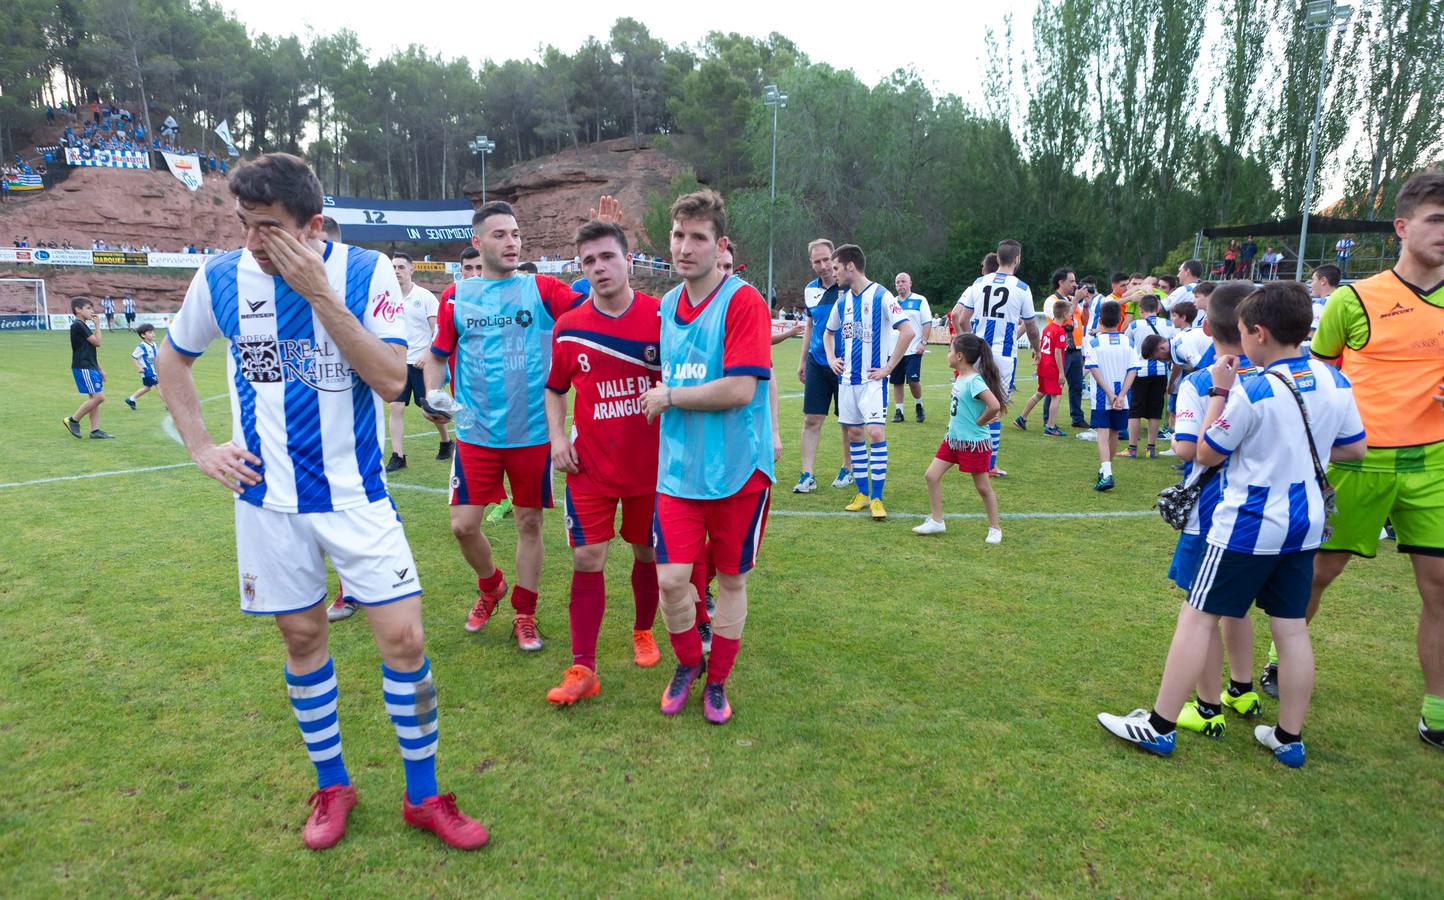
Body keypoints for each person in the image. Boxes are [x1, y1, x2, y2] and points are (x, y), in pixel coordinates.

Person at [156, 152, 487, 850]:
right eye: (245, 225)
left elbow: (395, 379)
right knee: (303, 638)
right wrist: (200, 447)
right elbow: (172, 359)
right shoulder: (220, 277)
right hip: (266, 502)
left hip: (357, 496)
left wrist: (320, 295)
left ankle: (423, 797)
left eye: (269, 228)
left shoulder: (364, 273)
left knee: (406, 639)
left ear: (314, 226)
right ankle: (332, 784)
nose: (253, 242)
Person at [1097, 282, 1365, 768]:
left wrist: (1220, 391)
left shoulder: (1254, 388)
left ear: (1258, 333)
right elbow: (1354, 448)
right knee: (1290, 630)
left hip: (1248, 523)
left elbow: (1206, 451)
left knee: (1197, 615)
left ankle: (1159, 724)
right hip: (1304, 524)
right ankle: (1288, 736)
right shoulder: (1333, 379)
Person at [1305, 174, 1444, 749]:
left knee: (1440, 587)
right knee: (1318, 573)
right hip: (1359, 461)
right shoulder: (1353, 298)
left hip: (1434, 466)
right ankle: (1279, 653)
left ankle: (1437, 710)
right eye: (1437, 220)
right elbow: (1316, 375)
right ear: (1402, 226)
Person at [424, 201, 585, 650]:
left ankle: (524, 612)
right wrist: (433, 393)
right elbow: (436, 357)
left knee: (529, 522)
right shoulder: (456, 298)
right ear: (478, 242)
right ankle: (491, 585)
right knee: (463, 525)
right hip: (475, 431)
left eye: (515, 233)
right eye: (499, 235)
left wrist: (601, 232)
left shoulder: (543, 289)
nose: (511, 242)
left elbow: (595, 303)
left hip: (533, 431)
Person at [641, 189, 774, 725]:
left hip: (738, 472)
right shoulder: (668, 306)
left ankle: (717, 681)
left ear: (719, 245)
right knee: (672, 580)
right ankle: (689, 663)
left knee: (731, 581)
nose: (684, 247)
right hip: (678, 472)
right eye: (678, 235)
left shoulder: (744, 302)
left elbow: (741, 390)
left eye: (697, 237)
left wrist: (668, 396)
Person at [543, 216, 665, 705]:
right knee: (586, 556)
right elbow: (554, 390)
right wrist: (556, 438)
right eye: (589, 261)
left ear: (629, 260)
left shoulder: (661, 317)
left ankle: (643, 630)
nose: (599, 268)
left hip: (651, 468)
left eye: (607, 257)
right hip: (589, 467)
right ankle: (583, 668)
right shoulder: (569, 328)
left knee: (646, 553)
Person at [1166, 281, 1266, 738]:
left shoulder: (1202, 381)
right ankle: (1242, 689)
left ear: (1206, 327)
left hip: (1210, 510)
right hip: (1258, 512)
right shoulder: (1273, 376)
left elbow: (1190, 448)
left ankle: (1207, 708)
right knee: (1236, 606)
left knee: (1200, 606)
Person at [825, 244, 916, 519]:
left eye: (837, 268)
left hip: (873, 381)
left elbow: (908, 331)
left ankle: (877, 497)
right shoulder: (842, 302)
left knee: (875, 433)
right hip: (847, 381)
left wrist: (889, 366)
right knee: (854, 434)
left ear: (850, 266)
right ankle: (862, 493)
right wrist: (831, 359)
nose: (834, 273)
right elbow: (829, 334)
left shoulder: (882, 296)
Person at [952, 239, 1039, 477]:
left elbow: (961, 319)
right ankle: (989, 464)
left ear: (998, 259)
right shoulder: (1022, 288)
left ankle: (964, 452)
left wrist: (971, 341)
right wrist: (1037, 349)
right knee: (996, 408)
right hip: (1003, 354)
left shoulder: (979, 282)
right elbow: (1031, 327)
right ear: (1017, 259)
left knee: (973, 403)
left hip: (978, 352)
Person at [914, 333, 1004, 541]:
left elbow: (995, 406)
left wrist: (980, 422)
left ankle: (995, 528)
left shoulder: (974, 380)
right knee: (931, 475)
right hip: (953, 439)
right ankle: (937, 521)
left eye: (950, 351)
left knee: (982, 487)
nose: (948, 355)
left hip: (974, 444)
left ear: (960, 356)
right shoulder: (960, 377)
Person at [793, 238, 853, 493]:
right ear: (811, 263)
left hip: (847, 363)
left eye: (827, 259)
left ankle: (848, 469)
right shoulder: (810, 290)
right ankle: (807, 474)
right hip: (818, 362)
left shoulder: (851, 288)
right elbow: (810, 324)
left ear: (834, 257)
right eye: (817, 261)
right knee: (811, 419)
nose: (823, 265)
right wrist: (803, 359)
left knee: (848, 421)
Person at [383, 252, 450, 473]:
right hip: (397, 363)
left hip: (422, 363)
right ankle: (398, 455)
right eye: (393, 267)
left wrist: (426, 354)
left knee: (430, 410)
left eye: (401, 267)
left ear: (412, 269)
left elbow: (437, 331)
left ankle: (445, 441)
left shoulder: (425, 297)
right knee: (395, 407)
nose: (396, 271)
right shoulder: (386, 297)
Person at [1083, 300, 1138, 490]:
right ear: (1120, 319)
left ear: (1100, 320)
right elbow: (1133, 370)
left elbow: (1094, 369)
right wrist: (1121, 394)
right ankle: (1107, 469)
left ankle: (1107, 473)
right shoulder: (1128, 341)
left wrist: (1109, 393)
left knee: (1102, 434)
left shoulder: (1095, 342)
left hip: (1102, 396)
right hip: (1122, 397)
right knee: (1114, 432)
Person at [1123, 295, 1174, 458]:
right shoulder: (1168, 324)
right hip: (1161, 371)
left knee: (1135, 410)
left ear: (1141, 310)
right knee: (1155, 411)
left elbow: (1127, 346)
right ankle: (1150, 449)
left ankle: (1132, 448)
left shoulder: (1135, 324)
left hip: (1140, 371)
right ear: (1158, 309)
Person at [1013, 298, 1068, 436]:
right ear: (1065, 314)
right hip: (1052, 368)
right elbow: (1057, 352)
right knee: (1056, 396)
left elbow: (1041, 347)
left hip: (1043, 366)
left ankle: (1022, 418)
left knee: (1040, 393)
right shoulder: (1060, 331)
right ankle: (1050, 426)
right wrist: (1061, 373)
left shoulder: (1048, 328)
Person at [63, 298, 113, 439]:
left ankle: (94, 430)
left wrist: (100, 368)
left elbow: (89, 351)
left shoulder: (83, 325)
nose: (92, 311)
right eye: (88, 308)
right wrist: (98, 326)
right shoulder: (79, 325)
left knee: (93, 398)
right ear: (78, 310)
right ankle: (73, 420)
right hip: (83, 367)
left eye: (92, 308)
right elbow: (97, 343)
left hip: (90, 366)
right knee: (99, 397)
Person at [889, 272, 931, 423]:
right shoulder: (892, 302)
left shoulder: (920, 300)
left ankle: (919, 405)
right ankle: (899, 411)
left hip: (913, 348)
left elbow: (927, 323)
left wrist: (923, 343)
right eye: (898, 282)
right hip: (895, 349)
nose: (900, 285)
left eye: (903, 281)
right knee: (897, 381)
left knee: (913, 381)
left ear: (910, 283)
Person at [1063, 279, 1091, 428]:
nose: (1075, 285)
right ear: (1061, 282)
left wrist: (1085, 305)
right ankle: (1048, 419)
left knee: (1076, 386)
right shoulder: (1053, 300)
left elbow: (1084, 321)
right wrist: (1076, 300)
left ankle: (1077, 418)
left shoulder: (1073, 301)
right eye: (1072, 281)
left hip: (1077, 349)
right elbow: (1063, 319)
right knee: (1055, 386)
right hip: (1062, 349)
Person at [124, 323, 159, 409]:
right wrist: (138, 367)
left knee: (147, 388)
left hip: (154, 370)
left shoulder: (154, 344)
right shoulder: (142, 346)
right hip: (147, 371)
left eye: (153, 332)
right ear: (143, 335)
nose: (153, 334)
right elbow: (134, 357)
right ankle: (168, 405)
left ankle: (131, 399)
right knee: (159, 385)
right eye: (150, 332)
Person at [1308, 263, 1341, 334]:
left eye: (1313, 280)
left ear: (1323, 281)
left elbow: (1312, 337)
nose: (1311, 284)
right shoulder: (1347, 300)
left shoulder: (1320, 305)